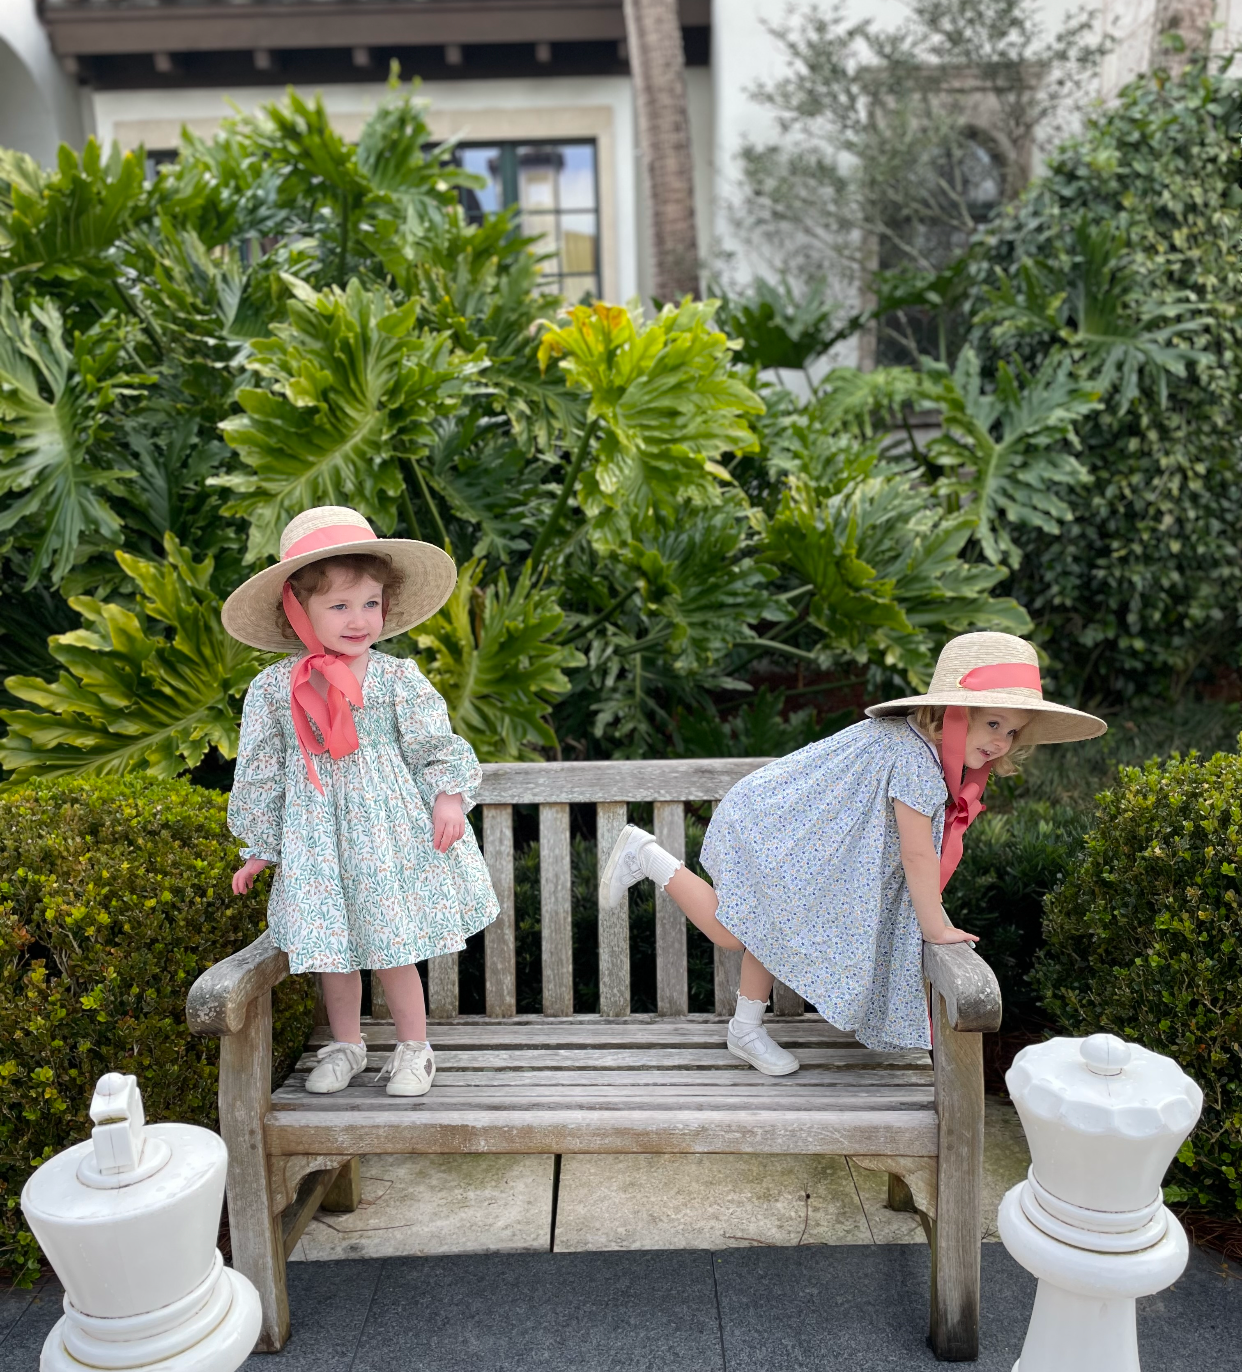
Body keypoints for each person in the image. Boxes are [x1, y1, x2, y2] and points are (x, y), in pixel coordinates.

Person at [599, 632, 1105, 1070]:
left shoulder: (913, 744)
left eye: (1012, 731)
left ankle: (745, 1028)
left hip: (798, 834)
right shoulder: (917, 763)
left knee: (774, 922)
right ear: (953, 713)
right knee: (734, 932)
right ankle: (647, 856)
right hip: (779, 824)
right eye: (993, 723)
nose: (1002, 742)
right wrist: (935, 928)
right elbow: (916, 856)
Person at [222, 505, 498, 1097]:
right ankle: (346, 1044)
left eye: (370, 603)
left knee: (394, 943)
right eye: (340, 606)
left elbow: (433, 747)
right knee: (333, 948)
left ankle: (415, 1049)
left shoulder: (397, 680)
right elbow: (265, 772)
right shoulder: (273, 690)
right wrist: (260, 848)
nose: (358, 619)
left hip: (387, 835)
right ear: (298, 610)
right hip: (316, 839)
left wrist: (448, 799)